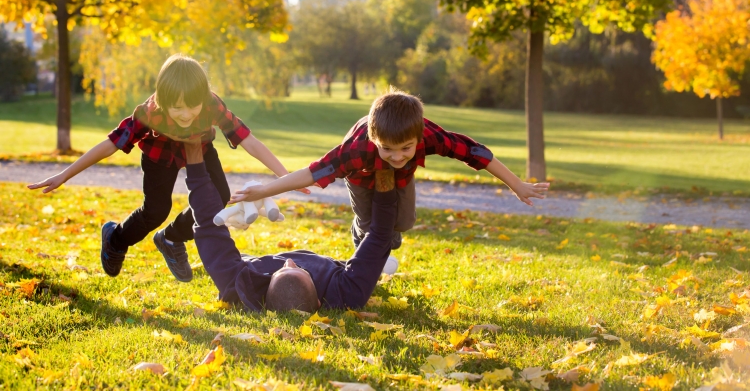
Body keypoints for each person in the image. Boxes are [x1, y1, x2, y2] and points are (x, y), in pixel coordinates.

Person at [28, 54, 306, 282]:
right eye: (177, 108)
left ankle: (171, 239)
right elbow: (110, 144)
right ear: (163, 100)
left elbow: (249, 141)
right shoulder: (149, 113)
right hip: (159, 157)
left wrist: (287, 176)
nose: (186, 114)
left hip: (201, 149)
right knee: (155, 211)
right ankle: (116, 238)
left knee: (219, 201)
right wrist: (64, 174)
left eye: (193, 106)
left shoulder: (210, 105)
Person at [230, 87, 549, 272]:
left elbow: (475, 152)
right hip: (362, 176)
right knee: (369, 223)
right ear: (373, 139)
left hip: (400, 180)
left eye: (406, 149)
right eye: (388, 149)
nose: (397, 156)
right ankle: (361, 234)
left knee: (404, 223)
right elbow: (312, 173)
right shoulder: (355, 151)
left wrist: (517, 184)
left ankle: (382, 238)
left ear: (417, 136)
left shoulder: (426, 136)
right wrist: (264, 188)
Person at [182, 139, 398, 311]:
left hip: (248, 261)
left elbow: (208, 226)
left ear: (267, 289)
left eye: (282, 269)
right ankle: (375, 266)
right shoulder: (346, 293)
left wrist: (193, 156)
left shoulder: (240, 284)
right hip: (337, 266)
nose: (290, 261)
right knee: (380, 262)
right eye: (301, 270)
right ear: (319, 303)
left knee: (218, 245)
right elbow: (379, 234)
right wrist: (385, 171)